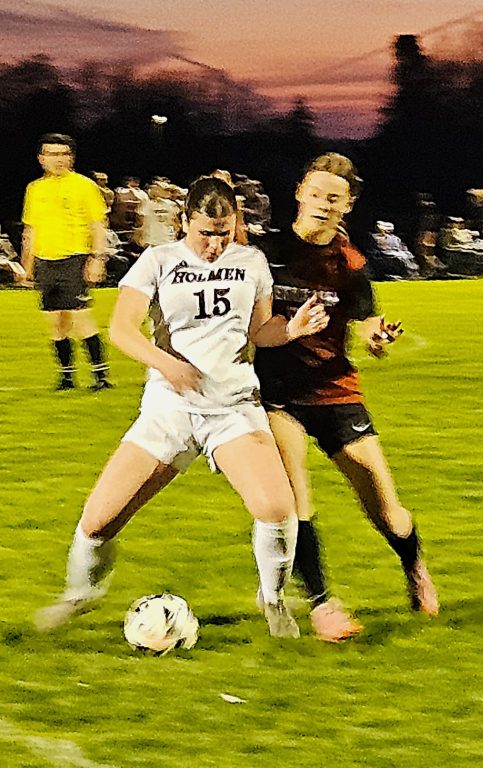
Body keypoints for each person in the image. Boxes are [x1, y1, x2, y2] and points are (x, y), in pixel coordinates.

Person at [34, 176, 330, 638]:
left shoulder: (251, 262)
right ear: (184, 222)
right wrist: (165, 365)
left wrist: (293, 329)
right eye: (205, 233)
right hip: (169, 409)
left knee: (276, 509)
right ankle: (79, 595)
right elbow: (122, 329)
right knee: (97, 521)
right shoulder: (158, 261)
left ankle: (272, 600)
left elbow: (260, 332)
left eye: (224, 232)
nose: (214, 244)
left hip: (232, 408)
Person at [254, 153, 439, 643]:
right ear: (299, 193)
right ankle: (322, 603)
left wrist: (379, 338)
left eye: (333, 198)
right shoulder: (265, 251)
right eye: (315, 193)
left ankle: (415, 566)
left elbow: (367, 323)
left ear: (347, 206)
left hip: (335, 389)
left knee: (385, 505)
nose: (321, 204)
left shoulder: (350, 263)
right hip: (276, 394)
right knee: (296, 497)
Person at [21, 133, 113, 391]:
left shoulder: (84, 186)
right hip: (45, 261)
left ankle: (100, 376)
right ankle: (66, 376)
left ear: (71, 158)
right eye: (52, 154)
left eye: (64, 154)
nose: (59, 160)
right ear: (41, 158)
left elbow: (98, 225)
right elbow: (31, 230)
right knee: (56, 323)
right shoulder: (35, 189)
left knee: (80, 317)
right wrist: (26, 265)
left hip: (75, 258)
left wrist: (97, 258)